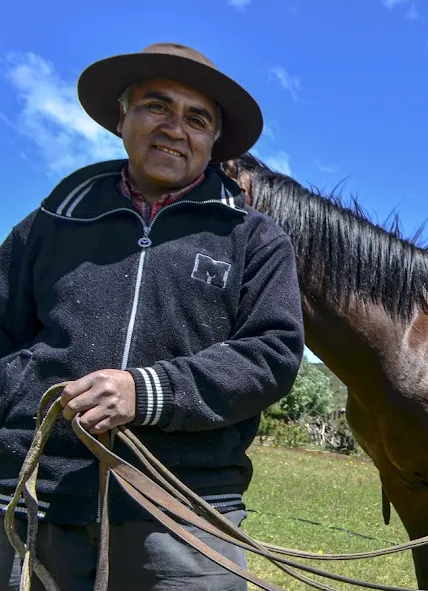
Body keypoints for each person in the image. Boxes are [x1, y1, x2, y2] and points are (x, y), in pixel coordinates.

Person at [0, 42, 305, 590]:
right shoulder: (49, 223)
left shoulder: (253, 240)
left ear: (215, 140)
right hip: (37, 501)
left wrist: (149, 392)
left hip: (186, 508)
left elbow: (272, 354)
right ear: (123, 116)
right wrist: (28, 397)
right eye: (156, 107)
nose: (175, 129)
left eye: (197, 118)